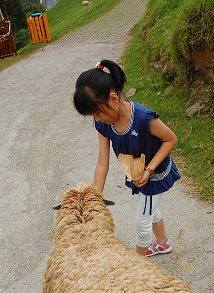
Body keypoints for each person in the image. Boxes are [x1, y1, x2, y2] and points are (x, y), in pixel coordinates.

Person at [73, 59, 180, 257]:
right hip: (138, 174)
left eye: (97, 113)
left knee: (142, 222)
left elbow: (170, 139)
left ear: (113, 98)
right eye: (92, 116)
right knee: (149, 208)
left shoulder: (143, 118)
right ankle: (163, 244)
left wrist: (149, 170)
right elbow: (102, 163)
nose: (97, 119)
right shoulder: (104, 124)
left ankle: (138, 267)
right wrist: (96, 199)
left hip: (154, 175)